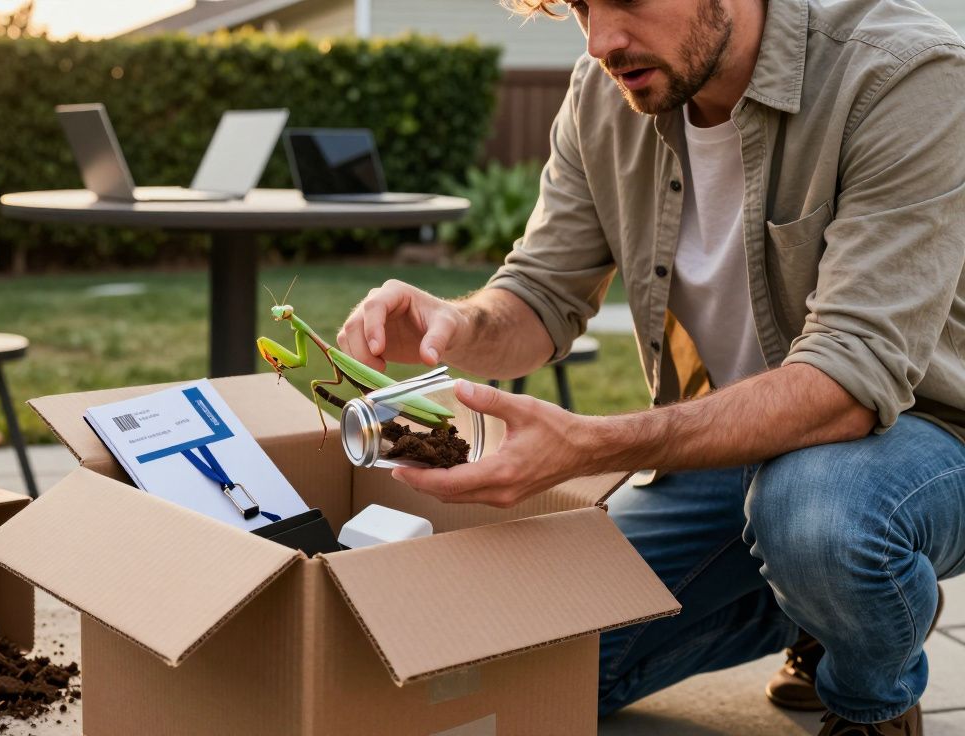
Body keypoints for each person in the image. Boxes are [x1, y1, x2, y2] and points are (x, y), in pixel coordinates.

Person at [335, 0, 965, 733]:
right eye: (579, 5)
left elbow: (849, 383)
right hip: (722, 456)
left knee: (820, 519)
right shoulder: (606, 94)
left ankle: (868, 690)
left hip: (913, 443)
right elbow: (542, 294)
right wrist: (456, 325)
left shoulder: (902, 72)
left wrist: (595, 444)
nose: (602, 40)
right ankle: (814, 606)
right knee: (521, 661)